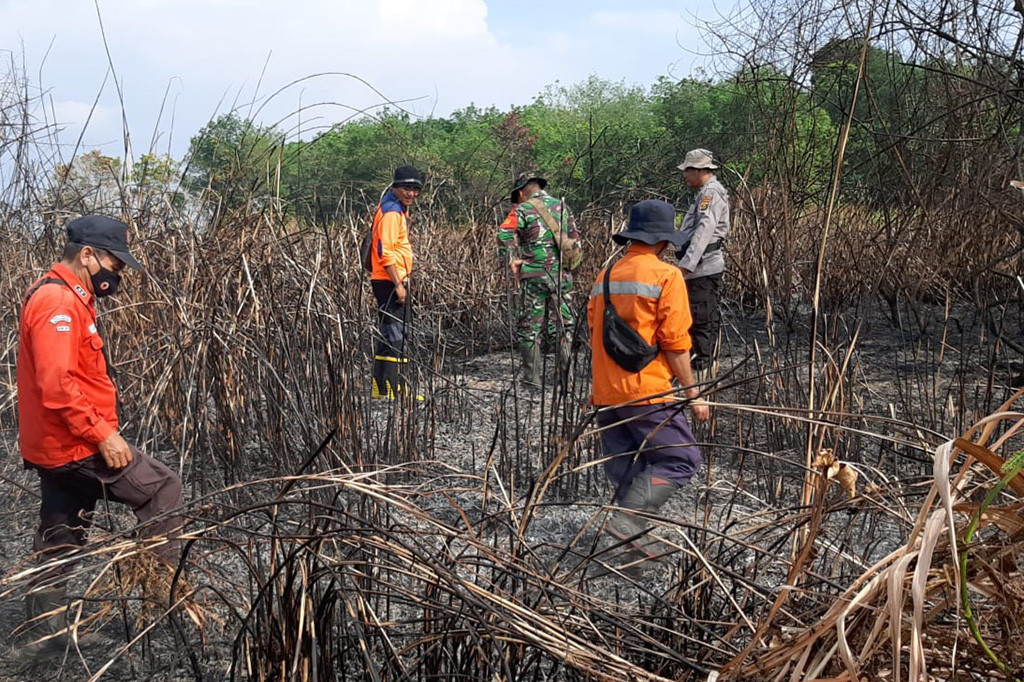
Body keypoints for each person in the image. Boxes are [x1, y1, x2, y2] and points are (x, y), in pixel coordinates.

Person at [17, 215, 183, 652]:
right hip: (73, 443)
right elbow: (57, 385)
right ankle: (162, 598)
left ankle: (46, 632)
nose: (119, 273)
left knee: (62, 531)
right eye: (115, 262)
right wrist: (103, 435)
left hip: (54, 444)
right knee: (162, 488)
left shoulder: (68, 296)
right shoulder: (58, 304)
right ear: (87, 255)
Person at [588, 199, 710, 559]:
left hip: (607, 395)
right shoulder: (666, 276)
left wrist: (597, 391)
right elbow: (675, 344)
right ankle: (628, 523)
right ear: (663, 241)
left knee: (627, 469)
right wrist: (694, 394)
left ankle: (630, 551)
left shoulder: (604, 277)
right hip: (647, 392)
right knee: (681, 460)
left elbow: (595, 334)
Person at [508, 171, 580, 387]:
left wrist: (513, 260)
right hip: (562, 276)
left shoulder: (521, 209)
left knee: (530, 327)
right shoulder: (563, 207)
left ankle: (532, 380)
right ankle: (566, 380)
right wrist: (570, 273)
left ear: (522, 192)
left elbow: (503, 235)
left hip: (534, 276)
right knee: (563, 326)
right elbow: (575, 242)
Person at [369, 165, 424, 400]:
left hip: (386, 280)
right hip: (390, 281)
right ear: (395, 187)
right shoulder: (391, 212)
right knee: (396, 334)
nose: (411, 193)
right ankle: (395, 389)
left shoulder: (394, 208)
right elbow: (385, 251)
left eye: (415, 189)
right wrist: (399, 285)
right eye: (406, 188)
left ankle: (379, 388)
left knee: (388, 332)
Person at [676, 149, 730, 378]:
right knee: (697, 317)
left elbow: (704, 232)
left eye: (687, 170)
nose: (685, 175)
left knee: (701, 318)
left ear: (699, 170)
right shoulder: (704, 193)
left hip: (703, 268)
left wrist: (686, 265)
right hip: (698, 267)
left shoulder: (711, 194)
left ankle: (703, 371)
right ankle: (699, 367)